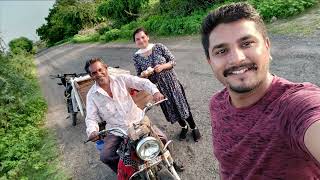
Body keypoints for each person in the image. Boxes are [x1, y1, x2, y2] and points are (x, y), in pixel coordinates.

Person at [201, 2, 320, 179]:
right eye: (222, 50)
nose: (237, 59)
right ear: (210, 62)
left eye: (247, 43)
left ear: (267, 46)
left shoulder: (294, 105)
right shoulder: (216, 104)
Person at [84, 57, 165, 173]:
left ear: (106, 68)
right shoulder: (91, 95)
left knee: (163, 139)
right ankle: (126, 172)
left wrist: (155, 92)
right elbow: (91, 118)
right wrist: (92, 131)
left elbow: (142, 82)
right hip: (117, 130)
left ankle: (170, 162)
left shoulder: (121, 79)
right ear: (91, 76)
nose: (99, 74)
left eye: (100, 70)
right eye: (94, 73)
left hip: (138, 120)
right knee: (105, 156)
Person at [132, 27, 201, 142]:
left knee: (182, 106)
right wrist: (144, 74)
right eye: (137, 39)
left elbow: (173, 61)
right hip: (158, 89)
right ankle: (184, 127)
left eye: (143, 37)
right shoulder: (136, 57)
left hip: (171, 83)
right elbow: (139, 75)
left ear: (147, 37)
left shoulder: (159, 47)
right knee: (171, 109)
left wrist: (163, 66)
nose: (141, 40)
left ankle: (194, 127)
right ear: (135, 42)